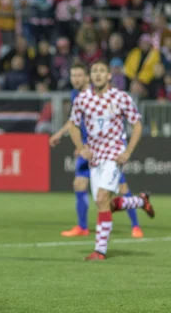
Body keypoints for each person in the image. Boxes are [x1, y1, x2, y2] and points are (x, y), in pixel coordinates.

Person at [68, 60, 154, 261]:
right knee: (104, 203)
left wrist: (128, 152)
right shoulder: (83, 99)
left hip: (114, 155)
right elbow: (73, 125)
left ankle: (100, 250)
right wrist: (82, 148)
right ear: (91, 76)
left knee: (101, 197)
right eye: (94, 71)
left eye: (102, 71)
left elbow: (137, 125)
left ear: (109, 75)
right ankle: (141, 200)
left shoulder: (120, 97)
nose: (98, 74)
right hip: (95, 158)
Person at [50, 62, 144, 238]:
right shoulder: (77, 96)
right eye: (73, 76)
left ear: (87, 77)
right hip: (88, 149)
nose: (75, 79)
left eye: (79, 75)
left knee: (121, 189)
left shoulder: (109, 97)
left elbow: (132, 122)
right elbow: (74, 121)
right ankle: (83, 227)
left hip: (109, 150)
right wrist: (68, 138)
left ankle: (136, 223)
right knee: (80, 184)